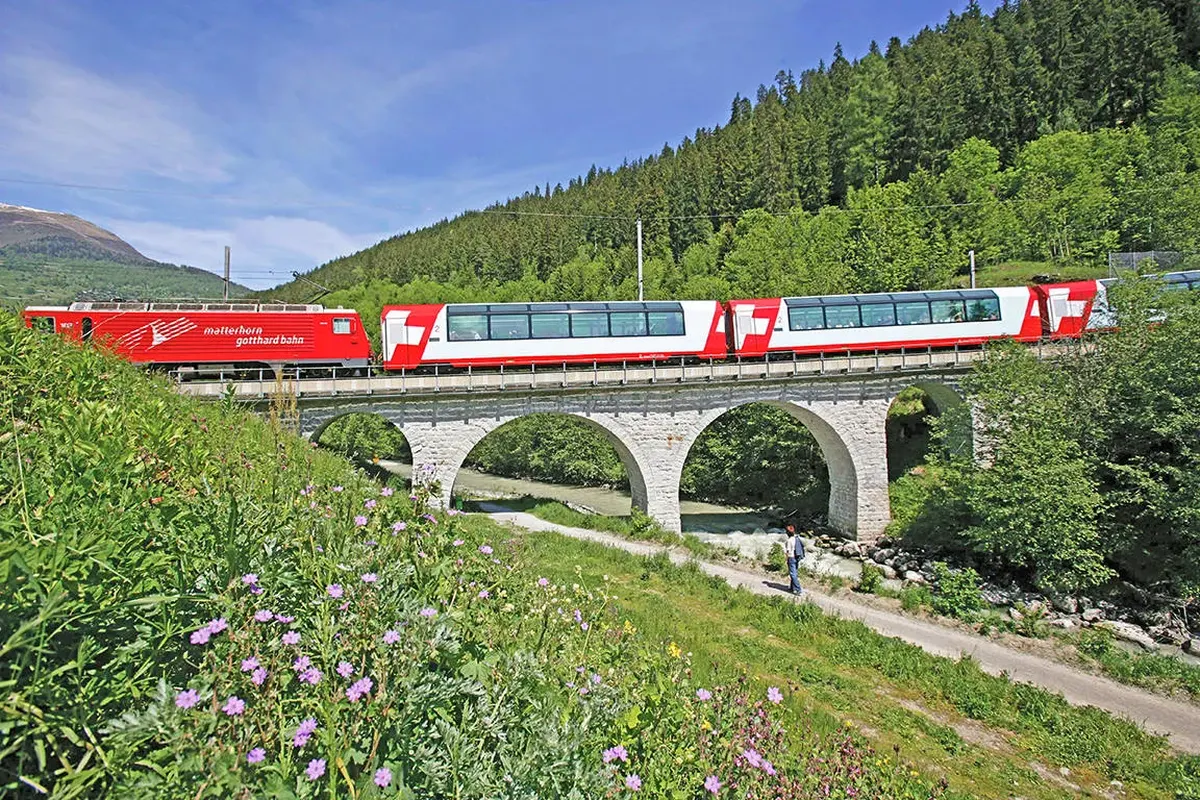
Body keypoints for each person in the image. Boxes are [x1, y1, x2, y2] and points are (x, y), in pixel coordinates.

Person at [785, 525, 805, 595]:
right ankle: (792, 588)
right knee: (794, 573)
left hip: (791, 558)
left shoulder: (789, 541)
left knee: (793, 574)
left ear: (787, 533)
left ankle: (798, 589)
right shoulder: (796, 538)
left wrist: (786, 559)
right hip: (797, 557)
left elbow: (788, 551)